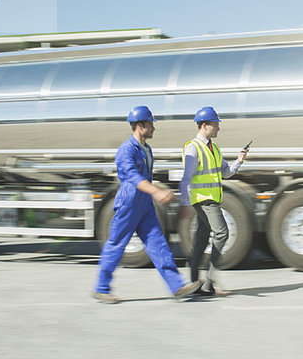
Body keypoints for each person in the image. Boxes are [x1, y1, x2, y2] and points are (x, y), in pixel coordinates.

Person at [94, 106, 202, 303]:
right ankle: (101, 288)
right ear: (140, 125)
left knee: (158, 244)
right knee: (116, 244)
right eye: (150, 124)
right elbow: (133, 177)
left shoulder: (146, 148)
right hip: (129, 203)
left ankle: (178, 287)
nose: (153, 127)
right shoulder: (126, 149)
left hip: (145, 204)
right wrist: (157, 192)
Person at [178, 106, 249, 296]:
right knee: (222, 233)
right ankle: (208, 283)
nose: (218, 128)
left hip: (211, 200)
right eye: (215, 124)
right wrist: (184, 202)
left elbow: (226, 173)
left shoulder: (214, 148)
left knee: (202, 238)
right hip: (203, 200)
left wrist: (239, 161)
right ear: (204, 125)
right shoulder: (193, 148)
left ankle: (194, 282)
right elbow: (186, 177)